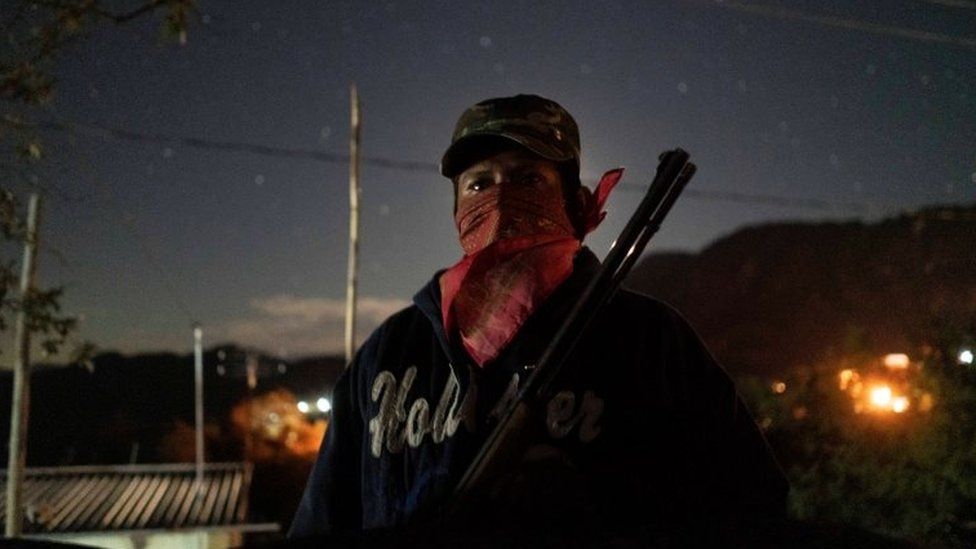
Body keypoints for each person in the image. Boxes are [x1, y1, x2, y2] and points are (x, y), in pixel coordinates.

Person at [288, 94, 789, 545]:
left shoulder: (649, 339)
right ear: (456, 209)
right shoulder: (390, 350)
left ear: (574, 203)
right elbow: (324, 520)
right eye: (479, 183)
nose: (501, 197)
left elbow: (750, 507)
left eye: (527, 178)